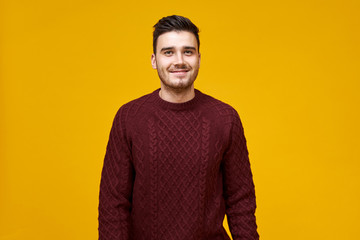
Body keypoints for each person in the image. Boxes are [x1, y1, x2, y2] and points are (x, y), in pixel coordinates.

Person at [98, 15, 259, 240]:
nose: (179, 60)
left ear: (199, 58)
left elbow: (240, 200)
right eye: (168, 52)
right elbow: (113, 203)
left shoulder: (225, 118)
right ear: (154, 60)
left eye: (188, 51)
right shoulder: (129, 117)